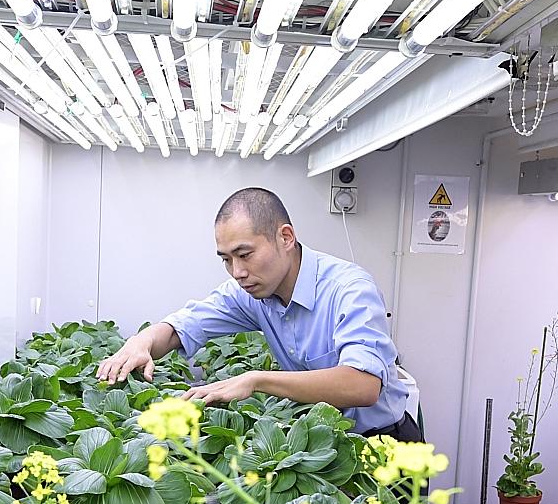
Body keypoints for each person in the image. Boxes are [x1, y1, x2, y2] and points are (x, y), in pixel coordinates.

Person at [96, 187, 421, 441]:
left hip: (384, 445)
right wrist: (141, 343)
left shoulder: (349, 289)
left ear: (286, 238)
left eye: (245, 254)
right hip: (325, 445)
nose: (237, 271)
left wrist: (255, 381)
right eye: (226, 259)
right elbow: (186, 324)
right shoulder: (252, 292)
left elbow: (363, 385)